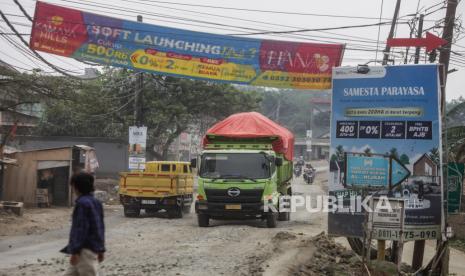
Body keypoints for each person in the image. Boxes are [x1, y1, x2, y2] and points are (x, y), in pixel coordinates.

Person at [61, 172, 105, 276]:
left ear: (76, 187)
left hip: (84, 251)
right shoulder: (96, 203)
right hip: (92, 248)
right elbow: (100, 228)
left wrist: (75, 251)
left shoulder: (82, 204)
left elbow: (80, 229)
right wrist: (101, 249)